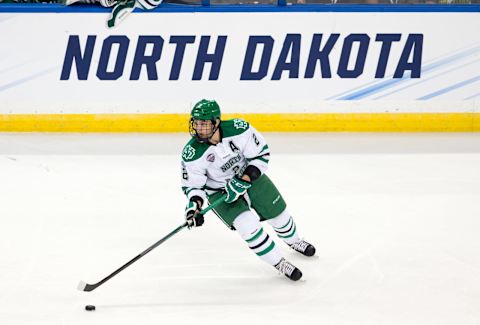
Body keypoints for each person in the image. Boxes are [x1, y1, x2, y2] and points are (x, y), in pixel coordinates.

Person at [181, 99, 316, 281]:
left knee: (280, 216)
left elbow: (261, 154)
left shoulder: (239, 129)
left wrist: (243, 180)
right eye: (196, 123)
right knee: (249, 229)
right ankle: (279, 262)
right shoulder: (192, 153)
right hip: (220, 193)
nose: (199, 128)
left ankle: (294, 241)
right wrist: (194, 208)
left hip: (249, 177)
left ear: (217, 122)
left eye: (204, 123)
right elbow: (194, 186)